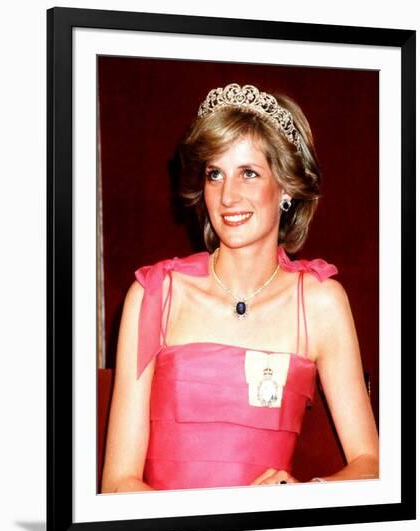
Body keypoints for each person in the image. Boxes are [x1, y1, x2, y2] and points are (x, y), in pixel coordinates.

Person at [101, 83, 379, 493]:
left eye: (248, 173)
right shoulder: (155, 294)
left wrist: (302, 495)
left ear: (285, 188)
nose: (228, 196)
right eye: (216, 174)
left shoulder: (320, 302)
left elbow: (370, 462)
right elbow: (119, 482)